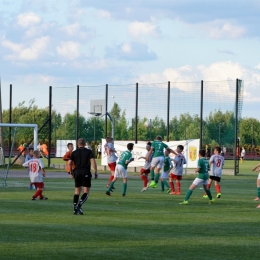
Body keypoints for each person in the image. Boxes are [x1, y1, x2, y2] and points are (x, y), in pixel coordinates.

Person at [68, 138, 98, 215]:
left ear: (78, 144)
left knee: (77, 191)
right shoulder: (88, 151)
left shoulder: (74, 152)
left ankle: (75, 208)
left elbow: (69, 163)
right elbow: (93, 161)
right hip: (86, 172)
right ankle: (79, 205)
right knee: (86, 191)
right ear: (85, 144)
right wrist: (96, 171)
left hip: (77, 172)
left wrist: (71, 172)